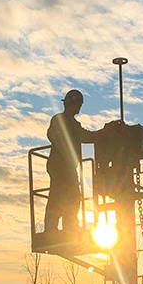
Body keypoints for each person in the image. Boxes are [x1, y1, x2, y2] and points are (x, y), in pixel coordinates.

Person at [44, 89, 96, 233]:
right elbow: (53, 135)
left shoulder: (75, 124)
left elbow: (86, 136)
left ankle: (68, 227)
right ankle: (54, 228)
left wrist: (102, 135)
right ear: (70, 103)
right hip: (59, 165)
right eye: (77, 104)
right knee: (62, 195)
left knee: (69, 196)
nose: (79, 107)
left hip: (68, 166)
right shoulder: (58, 120)